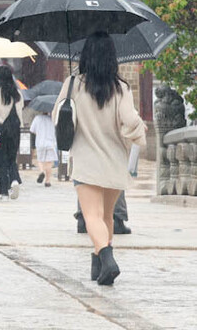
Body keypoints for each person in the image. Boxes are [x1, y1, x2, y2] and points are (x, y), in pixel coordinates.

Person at [53, 32, 145, 286]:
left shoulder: (74, 84)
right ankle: (98, 266)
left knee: (91, 215)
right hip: (114, 160)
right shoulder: (121, 87)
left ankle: (107, 258)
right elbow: (130, 120)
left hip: (86, 160)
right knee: (106, 216)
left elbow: (57, 116)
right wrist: (140, 133)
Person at [0, 65, 25, 200]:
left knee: (1, 160)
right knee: (11, 158)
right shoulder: (18, 94)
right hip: (15, 130)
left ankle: (3, 192)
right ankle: (14, 179)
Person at [29, 112, 58, 187]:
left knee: (40, 160)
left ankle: (42, 171)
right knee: (49, 162)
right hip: (51, 142)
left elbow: (32, 130)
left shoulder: (37, 118)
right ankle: (47, 181)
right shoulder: (53, 119)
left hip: (40, 142)